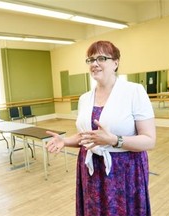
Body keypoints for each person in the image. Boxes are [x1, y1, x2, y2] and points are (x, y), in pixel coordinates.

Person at [46, 40, 156, 216]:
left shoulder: (134, 91)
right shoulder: (85, 98)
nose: (94, 64)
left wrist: (114, 140)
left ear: (115, 63)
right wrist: (65, 141)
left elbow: (149, 140)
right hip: (91, 171)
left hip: (124, 171)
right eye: (90, 60)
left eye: (101, 58)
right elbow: (86, 137)